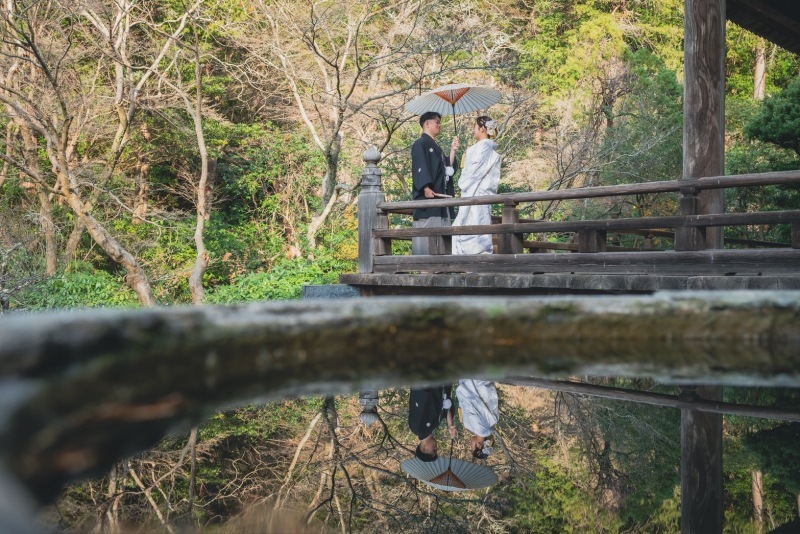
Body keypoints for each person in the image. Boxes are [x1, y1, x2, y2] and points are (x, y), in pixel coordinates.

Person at [411, 111, 460, 255]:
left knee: (442, 233)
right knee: (428, 232)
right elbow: (420, 166)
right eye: (437, 122)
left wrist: (453, 150)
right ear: (427, 123)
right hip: (428, 197)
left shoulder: (435, 145)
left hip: (440, 196)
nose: (439, 125)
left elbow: (447, 168)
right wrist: (425, 187)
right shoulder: (421, 143)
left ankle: (441, 267)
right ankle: (426, 268)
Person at [452, 116, 502, 255]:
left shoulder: (483, 147)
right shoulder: (482, 147)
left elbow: (473, 172)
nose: (473, 130)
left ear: (482, 129)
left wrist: (462, 182)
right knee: (476, 223)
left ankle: (476, 255)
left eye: (475, 127)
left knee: (475, 222)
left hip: (476, 192)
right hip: (479, 192)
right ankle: (471, 255)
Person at [408, 385, 457, 462]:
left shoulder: (417, 428)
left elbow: (418, 400)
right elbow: (445, 406)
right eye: (436, 450)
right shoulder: (434, 426)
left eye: (433, 451)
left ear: (424, 448)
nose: (436, 448)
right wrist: (450, 425)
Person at [455, 379, 499, 459]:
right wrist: (463, 389)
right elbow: (472, 405)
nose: (470, 445)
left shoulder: (490, 426)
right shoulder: (480, 429)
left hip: (482, 384)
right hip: (473, 383)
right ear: (479, 445)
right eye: (472, 447)